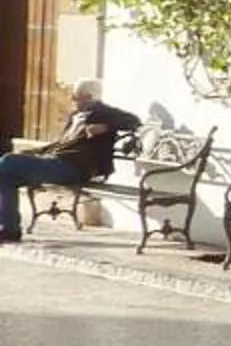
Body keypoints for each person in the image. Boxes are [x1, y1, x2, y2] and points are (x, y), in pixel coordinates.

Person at [0, 81, 141, 243]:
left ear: (89, 97)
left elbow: (134, 121)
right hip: (56, 162)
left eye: (76, 97)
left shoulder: (104, 112)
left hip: (75, 168)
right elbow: (61, 144)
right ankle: (10, 229)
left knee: (8, 162)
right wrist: (34, 152)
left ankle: (9, 228)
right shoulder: (74, 116)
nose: (73, 101)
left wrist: (107, 127)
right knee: (7, 175)